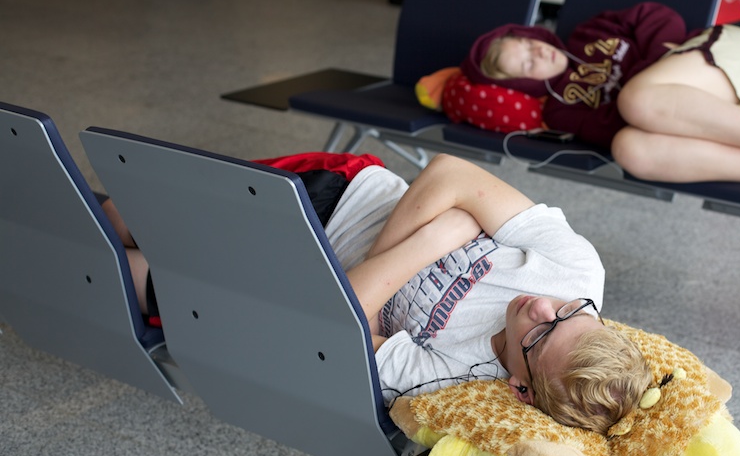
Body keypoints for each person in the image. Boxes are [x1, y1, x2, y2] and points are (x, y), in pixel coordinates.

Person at [101, 153, 650, 434]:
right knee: (125, 215)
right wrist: (362, 282)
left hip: (288, 287)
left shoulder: (458, 379)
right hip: (336, 197)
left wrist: (432, 239)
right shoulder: (576, 271)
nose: (542, 306)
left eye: (540, 336)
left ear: (521, 388)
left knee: (124, 272)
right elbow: (449, 173)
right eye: (570, 312)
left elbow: (336, 329)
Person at [461, 2, 740, 225]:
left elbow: (660, 18)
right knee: (628, 148)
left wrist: (651, 78)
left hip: (727, 64)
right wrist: (649, 88)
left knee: (636, 100)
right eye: (527, 64)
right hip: (734, 117)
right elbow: (610, 130)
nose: (538, 53)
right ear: (522, 85)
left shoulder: (589, 32)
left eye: (528, 44)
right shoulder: (559, 110)